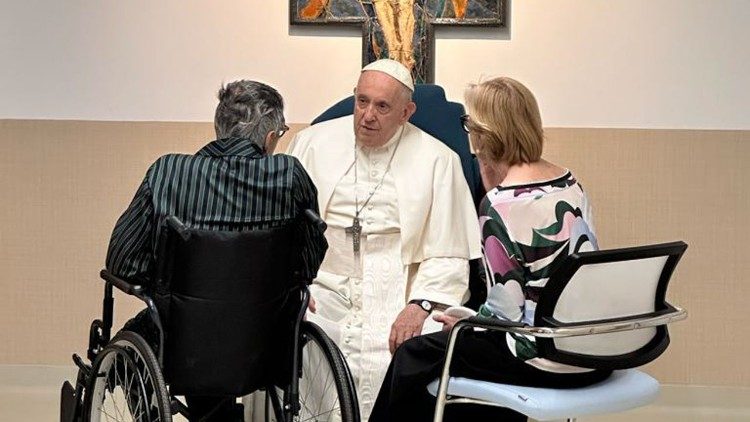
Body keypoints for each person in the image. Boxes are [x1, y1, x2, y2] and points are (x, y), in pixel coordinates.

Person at [369, 77, 612, 422]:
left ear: (485, 134)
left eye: (470, 123)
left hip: (542, 357)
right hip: (589, 351)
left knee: (414, 355)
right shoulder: (569, 183)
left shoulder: (500, 205)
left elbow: (506, 316)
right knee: (464, 348)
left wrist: (465, 321)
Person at [105, 80, 327, 421]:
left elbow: (123, 261)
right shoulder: (288, 174)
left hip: (182, 337)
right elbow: (309, 253)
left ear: (218, 127)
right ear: (270, 138)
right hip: (264, 337)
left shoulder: (168, 172)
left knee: (130, 344)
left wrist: (170, 286)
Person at [287, 59, 482, 418]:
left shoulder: (440, 160)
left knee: (406, 341)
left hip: (401, 284)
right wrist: (295, 283)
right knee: (299, 330)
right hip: (322, 279)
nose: (367, 116)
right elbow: (284, 231)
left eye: (382, 106)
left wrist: (420, 305)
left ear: (406, 112)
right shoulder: (311, 144)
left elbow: (449, 252)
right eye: (362, 101)